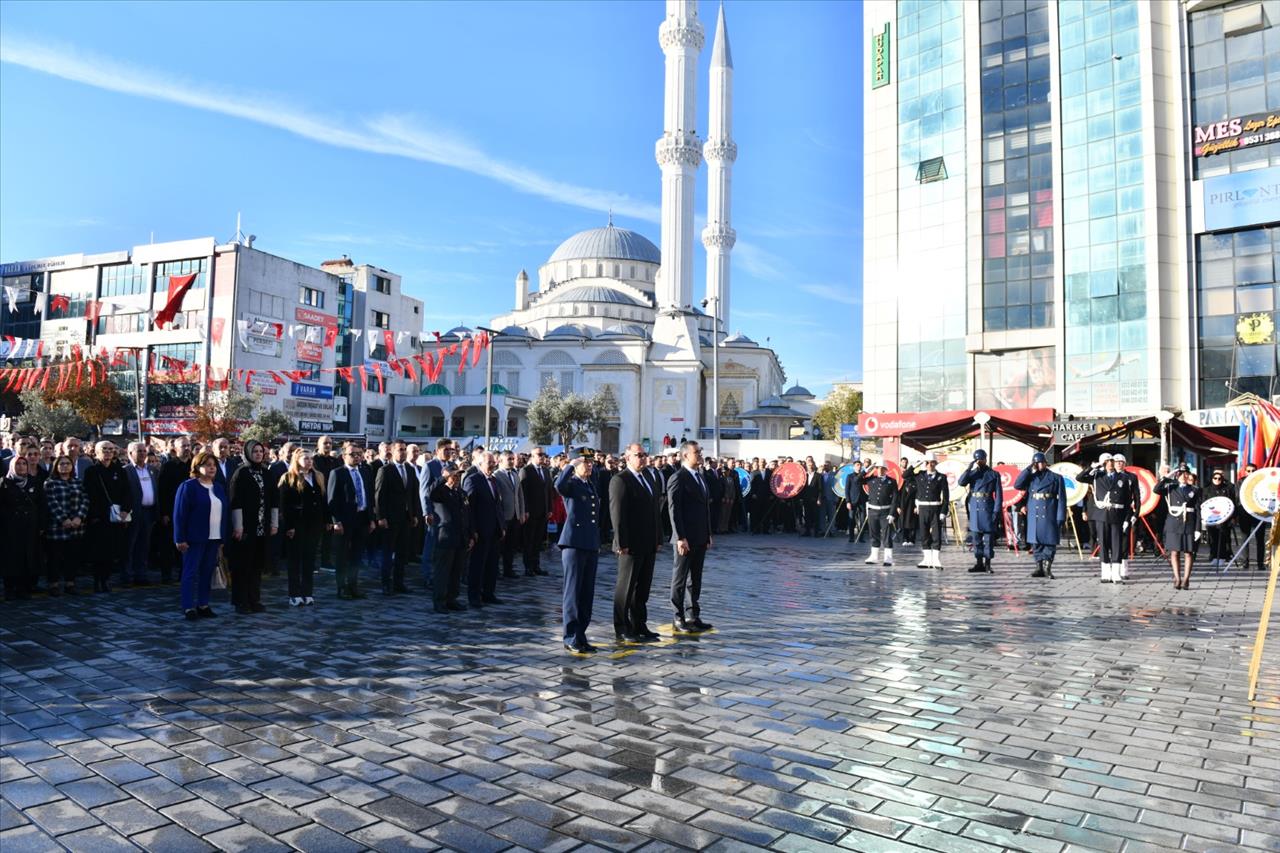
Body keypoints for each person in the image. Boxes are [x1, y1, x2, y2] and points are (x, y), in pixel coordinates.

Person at [610, 443, 662, 644]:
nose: (642, 458)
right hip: (630, 544)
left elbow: (655, 512)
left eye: (644, 455)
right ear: (627, 457)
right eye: (637, 455)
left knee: (643, 588)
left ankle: (639, 624)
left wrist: (658, 538)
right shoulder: (620, 480)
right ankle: (621, 627)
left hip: (648, 542)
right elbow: (618, 514)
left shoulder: (648, 477)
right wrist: (621, 542)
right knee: (626, 587)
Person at [173, 451, 230, 620]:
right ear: (197, 467)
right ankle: (188, 606)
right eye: (208, 465)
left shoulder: (218, 487)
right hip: (194, 538)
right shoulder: (188, 486)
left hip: (214, 538)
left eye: (214, 465)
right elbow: (179, 514)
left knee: (207, 572)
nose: (212, 468)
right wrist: (179, 538)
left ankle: (203, 605)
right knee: (190, 572)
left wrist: (222, 538)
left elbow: (224, 513)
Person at [557, 448, 602, 652]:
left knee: (586, 593)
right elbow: (558, 485)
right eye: (585, 462)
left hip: (589, 544)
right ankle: (570, 636)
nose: (590, 465)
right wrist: (570, 465)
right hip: (574, 544)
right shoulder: (572, 483)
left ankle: (581, 634)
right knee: (573, 593)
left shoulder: (589, 484)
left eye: (591, 462)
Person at [226, 439, 277, 614]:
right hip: (245, 527)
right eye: (254, 451)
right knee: (243, 565)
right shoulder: (241, 473)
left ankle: (254, 599)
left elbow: (274, 499)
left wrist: (274, 523)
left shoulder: (267, 473)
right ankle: (241, 601)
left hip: (262, 527)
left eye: (260, 451)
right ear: (248, 453)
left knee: (257, 565)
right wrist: (238, 526)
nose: (258, 454)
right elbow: (235, 501)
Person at [668, 441, 713, 633]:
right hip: (685, 538)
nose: (700, 455)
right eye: (697, 452)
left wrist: (708, 533)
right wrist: (680, 537)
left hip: (700, 536)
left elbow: (705, 508)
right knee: (680, 579)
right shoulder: (679, 477)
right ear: (686, 455)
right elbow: (674, 510)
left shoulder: (700, 477)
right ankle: (678, 616)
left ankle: (692, 614)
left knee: (695, 579)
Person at [279, 448, 330, 606]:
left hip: (314, 524)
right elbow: (284, 505)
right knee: (295, 561)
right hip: (296, 524)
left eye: (310, 458)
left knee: (309, 560)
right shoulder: (289, 478)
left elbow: (323, 501)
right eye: (306, 458)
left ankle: (307, 592)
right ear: (297, 460)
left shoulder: (318, 476)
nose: (309, 461)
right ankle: (294, 594)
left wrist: (327, 521)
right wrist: (289, 526)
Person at [1079, 452, 1138, 583]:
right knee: (1104, 543)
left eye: (1112, 461)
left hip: (1117, 514)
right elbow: (1080, 477)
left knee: (1117, 543)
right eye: (1107, 462)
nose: (1111, 464)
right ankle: (1106, 573)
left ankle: (1116, 573)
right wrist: (1093, 467)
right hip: (1102, 513)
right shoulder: (1097, 476)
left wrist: (1127, 518)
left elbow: (1127, 500)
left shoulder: (1123, 478)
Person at [374, 439, 422, 595]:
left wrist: (414, 514)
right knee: (388, 553)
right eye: (400, 449)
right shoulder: (385, 470)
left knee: (402, 552)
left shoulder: (409, 468)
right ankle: (386, 583)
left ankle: (399, 583)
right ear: (393, 451)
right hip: (390, 518)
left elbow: (413, 493)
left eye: (404, 449)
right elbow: (379, 496)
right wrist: (381, 517)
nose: (403, 452)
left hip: (406, 517)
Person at [84, 441, 133, 593]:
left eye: (111, 449)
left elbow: (127, 492)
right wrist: (95, 515)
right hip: (98, 518)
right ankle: (97, 580)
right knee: (98, 551)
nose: (107, 452)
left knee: (112, 551)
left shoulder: (120, 470)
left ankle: (106, 579)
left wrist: (125, 510)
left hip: (116, 517)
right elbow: (88, 494)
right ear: (96, 452)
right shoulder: (91, 471)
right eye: (104, 449)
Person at [327, 443, 375, 600]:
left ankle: (353, 586)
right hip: (345, 520)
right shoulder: (337, 473)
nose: (357, 457)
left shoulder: (366, 471)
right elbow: (331, 500)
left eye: (359, 454)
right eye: (353, 454)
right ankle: (342, 588)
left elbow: (369, 496)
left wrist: (371, 519)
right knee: (342, 556)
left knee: (356, 555)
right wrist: (336, 521)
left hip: (362, 518)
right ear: (343, 456)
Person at [1014, 452, 1066, 579]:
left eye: (1042, 462)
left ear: (1046, 463)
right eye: (1037, 463)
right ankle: (1039, 567)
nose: (1040, 465)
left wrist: (1060, 516)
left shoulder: (1056, 477)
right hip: (1034, 512)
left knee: (1049, 541)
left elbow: (1062, 499)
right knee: (1036, 541)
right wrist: (1028, 469)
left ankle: (1047, 568)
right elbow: (1017, 485)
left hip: (1049, 511)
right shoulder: (1031, 477)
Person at [429, 462, 472, 614]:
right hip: (446, 537)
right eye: (454, 475)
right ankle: (439, 601)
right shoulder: (441, 492)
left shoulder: (461, 493)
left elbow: (467, 515)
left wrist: (470, 535)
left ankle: (451, 599)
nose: (457, 478)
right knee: (443, 571)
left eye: (459, 475)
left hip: (460, 537)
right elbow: (431, 492)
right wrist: (444, 477)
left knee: (456, 570)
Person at [463, 450, 504, 607]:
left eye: (494, 462)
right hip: (480, 530)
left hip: (494, 530)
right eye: (489, 462)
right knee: (477, 565)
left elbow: (498, 504)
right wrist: (472, 531)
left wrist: (502, 525)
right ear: (480, 464)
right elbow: (469, 508)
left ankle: (489, 593)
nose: (493, 465)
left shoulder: (494, 480)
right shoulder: (473, 480)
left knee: (492, 564)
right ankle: (474, 596)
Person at [43, 454, 87, 595]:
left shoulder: (77, 482)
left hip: (76, 527)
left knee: (72, 557)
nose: (65, 466)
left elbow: (85, 500)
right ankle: (53, 584)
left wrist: (79, 517)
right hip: (57, 528)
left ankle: (70, 583)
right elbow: (51, 502)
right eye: (61, 464)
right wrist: (64, 519)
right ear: (56, 466)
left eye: (67, 463)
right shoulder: (50, 483)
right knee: (54, 558)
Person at [2, 455, 43, 600]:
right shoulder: (5, 483)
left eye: (23, 464)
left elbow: (41, 504)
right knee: (11, 558)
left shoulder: (34, 482)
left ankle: (23, 587)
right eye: (17, 464)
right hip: (10, 527)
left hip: (30, 527)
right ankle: (9, 588)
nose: (21, 466)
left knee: (28, 556)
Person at [1156, 464, 1201, 590]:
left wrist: (1198, 528)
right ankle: (1177, 578)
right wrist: (1167, 477)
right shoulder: (1171, 487)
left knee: (1188, 553)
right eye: (1180, 473)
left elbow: (1197, 510)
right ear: (1176, 475)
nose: (1183, 476)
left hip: (1189, 523)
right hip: (1174, 522)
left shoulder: (1194, 490)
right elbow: (1156, 489)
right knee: (1174, 552)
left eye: (1186, 473)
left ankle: (1186, 579)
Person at [958, 449, 1002, 573]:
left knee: (988, 539)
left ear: (986, 459)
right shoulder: (972, 474)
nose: (980, 461)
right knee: (976, 538)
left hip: (987, 507)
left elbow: (999, 495)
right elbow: (961, 482)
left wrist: (996, 511)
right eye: (978, 460)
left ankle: (987, 563)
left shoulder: (993, 474)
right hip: (975, 507)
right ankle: (979, 563)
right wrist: (969, 468)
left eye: (982, 459)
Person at [122, 440, 160, 587]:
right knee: (130, 545)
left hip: (149, 512)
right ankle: (127, 575)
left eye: (144, 451)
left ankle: (141, 574)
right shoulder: (126, 470)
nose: (143, 454)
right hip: (133, 513)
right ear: (130, 453)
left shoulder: (152, 470)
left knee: (144, 545)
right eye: (139, 451)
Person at [519, 447, 552, 576]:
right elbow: (523, 493)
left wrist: (549, 508)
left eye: (544, 454)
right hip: (531, 512)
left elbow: (548, 491)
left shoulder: (545, 470)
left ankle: (536, 565)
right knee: (529, 540)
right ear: (532, 456)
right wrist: (525, 510)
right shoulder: (526, 470)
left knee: (538, 540)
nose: (542, 457)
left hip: (543, 511)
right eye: (539, 454)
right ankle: (528, 567)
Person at [494, 451, 526, 579]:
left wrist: (522, 512)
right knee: (499, 546)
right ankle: (496, 570)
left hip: (515, 515)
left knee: (511, 545)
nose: (512, 461)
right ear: (500, 461)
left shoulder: (515, 474)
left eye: (513, 459)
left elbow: (520, 495)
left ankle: (508, 569)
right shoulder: (496, 475)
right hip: (503, 516)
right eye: (509, 459)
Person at [914, 453, 949, 569]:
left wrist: (943, 511)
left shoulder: (941, 477)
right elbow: (905, 475)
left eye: (932, 462)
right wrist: (917, 464)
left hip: (935, 508)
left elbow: (946, 496)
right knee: (924, 533)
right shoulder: (920, 475)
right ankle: (926, 559)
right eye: (927, 462)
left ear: (935, 463)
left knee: (936, 534)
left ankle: (936, 559)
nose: (929, 465)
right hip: (923, 507)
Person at [862, 461, 898, 567]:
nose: (880, 470)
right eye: (878, 468)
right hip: (873, 511)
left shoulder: (892, 481)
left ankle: (888, 557)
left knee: (887, 535)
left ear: (886, 470)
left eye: (882, 468)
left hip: (885, 512)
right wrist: (868, 469)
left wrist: (892, 513)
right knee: (874, 534)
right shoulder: (871, 479)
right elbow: (857, 480)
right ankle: (874, 556)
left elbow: (895, 498)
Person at [1236, 463, 1268, 569]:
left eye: (1253, 470)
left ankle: (1260, 563)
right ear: (1245, 471)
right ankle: (1244, 562)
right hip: (1244, 513)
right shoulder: (1240, 482)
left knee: (1260, 538)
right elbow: (1237, 498)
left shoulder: (1261, 481)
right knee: (1244, 538)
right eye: (1248, 471)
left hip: (1258, 513)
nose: (1251, 473)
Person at [1203, 468, 1235, 568]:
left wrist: (1233, 517)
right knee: (1212, 538)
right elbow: (1203, 503)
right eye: (1215, 478)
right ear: (1212, 479)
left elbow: (1232, 502)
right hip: (1211, 518)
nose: (1217, 480)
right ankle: (1213, 556)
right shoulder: (1207, 489)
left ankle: (1221, 557)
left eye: (1219, 478)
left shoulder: (1227, 489)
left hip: (1224, 518)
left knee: (1222, 538)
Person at [844, 460, 866, 543]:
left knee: (862, 519)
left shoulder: (864, 476)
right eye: (857, 465)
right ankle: (851, 537)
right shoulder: (850, 476)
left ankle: (861, 537)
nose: (859, 466)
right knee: (851, 519)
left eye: (860, 465)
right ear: (854, 467)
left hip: (862, 500)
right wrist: (848, 501)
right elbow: (846, 490)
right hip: (853, 501)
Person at [800, 459, 822, 537]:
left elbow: (820, 488)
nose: (810, 466)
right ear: (806, 466)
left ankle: (816, 532)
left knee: (815, 516)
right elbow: (802, 488)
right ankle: (807, 531)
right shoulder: (804, 475)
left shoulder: (818, 476)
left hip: (815, 499)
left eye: (811, 465)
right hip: (806, 499)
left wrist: (819, 498)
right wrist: (801, 498)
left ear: (814, 465)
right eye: (809, 465)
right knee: (807, 516)